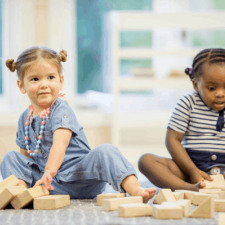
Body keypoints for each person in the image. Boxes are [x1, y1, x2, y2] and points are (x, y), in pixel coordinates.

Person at [0, 46, 156, 202]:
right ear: (21, 86)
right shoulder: (24, 119)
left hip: (81, 177)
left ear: (60, 81)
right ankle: (20, 192)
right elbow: (26, 157)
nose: (44, 84)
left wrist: (49, 171)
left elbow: (60, 143)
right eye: (35, 79)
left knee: (106, 151)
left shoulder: (61, 109)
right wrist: (31, 176)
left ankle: (135, 189)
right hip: (49, 184)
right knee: (11, 157)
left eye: (50, 77)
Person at [138, 48, 225, 191]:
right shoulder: (188, 103)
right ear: (196, 85)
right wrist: (192, 171)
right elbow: (172, 140)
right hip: (189, 168)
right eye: (211, 88)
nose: (220, 94)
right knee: (146, 161)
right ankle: (189, 188)